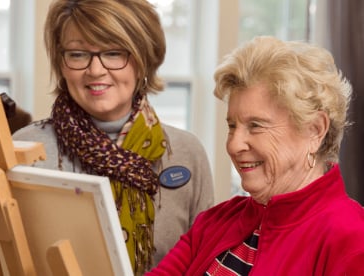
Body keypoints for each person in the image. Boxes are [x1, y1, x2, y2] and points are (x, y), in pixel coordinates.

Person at [12, 0, 214, 274]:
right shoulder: (25, 149)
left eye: (114, 53)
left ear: (142, 59)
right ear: (62, 63)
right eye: (78, 54)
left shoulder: (187, 153)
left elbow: (204, 263)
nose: (95, 70)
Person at [146, 36, 364, 275]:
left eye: (256, 125)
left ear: (315, 130)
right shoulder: (215, 221)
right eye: (232, 126)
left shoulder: (352, 240)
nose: (234, 145)